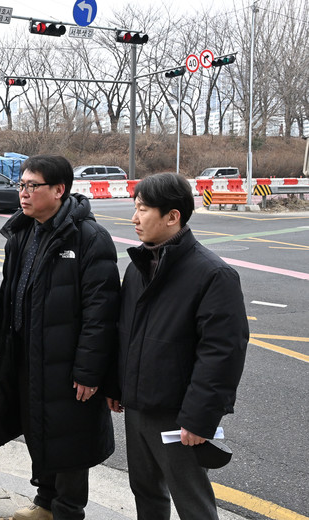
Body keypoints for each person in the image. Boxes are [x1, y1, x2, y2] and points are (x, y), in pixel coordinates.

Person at [107, 172, 248, 520]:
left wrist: (199, 418)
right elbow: (124, 332)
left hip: (178, 414)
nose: (134, 218)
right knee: (145, 491)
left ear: (173, 216)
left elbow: (221, 354)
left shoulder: (212, 274)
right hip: (137, 406)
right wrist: (115, 385)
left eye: (143, 209)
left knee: (191, 501)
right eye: (135, 208)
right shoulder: (138, 267)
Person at [0, 155, 120, 520]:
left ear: (59, 190)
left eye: (32, 186)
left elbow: (101, 313)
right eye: (21, 185)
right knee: (39, 429)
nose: (23, 193)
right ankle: (45, 502)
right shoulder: (22, 233)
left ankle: (68, 511)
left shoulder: (89, 238)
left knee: (71, 441)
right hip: (27, 356)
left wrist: (89, 371)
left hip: (67, 363)